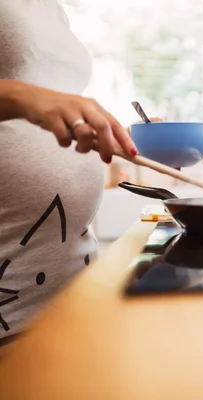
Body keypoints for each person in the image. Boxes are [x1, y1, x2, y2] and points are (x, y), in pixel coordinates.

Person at [0, 0, 148, 346]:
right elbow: (28, 97)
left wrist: (108, 133)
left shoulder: (51, 8)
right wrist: (24, 97)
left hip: (69, 301)